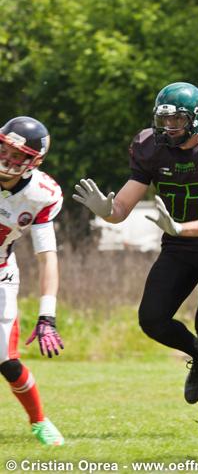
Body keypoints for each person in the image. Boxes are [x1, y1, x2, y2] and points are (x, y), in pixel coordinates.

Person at [72, 82, 198, 440]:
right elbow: (121, 208)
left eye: (177, 120)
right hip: (179, 247)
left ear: (196, 120)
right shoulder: (150, 149)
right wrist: (106, 210)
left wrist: (181, 227)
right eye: (163, 120)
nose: (168, 128)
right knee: (152, 320)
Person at [0, 117, 65, 445]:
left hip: (1, 271)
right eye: (4, 148)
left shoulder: (42, 194)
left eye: (17, 155)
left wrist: (47, 315)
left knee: (6, 361)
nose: (7, 158)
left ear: (32, 162)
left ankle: (39, 420)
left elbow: (47, 256)